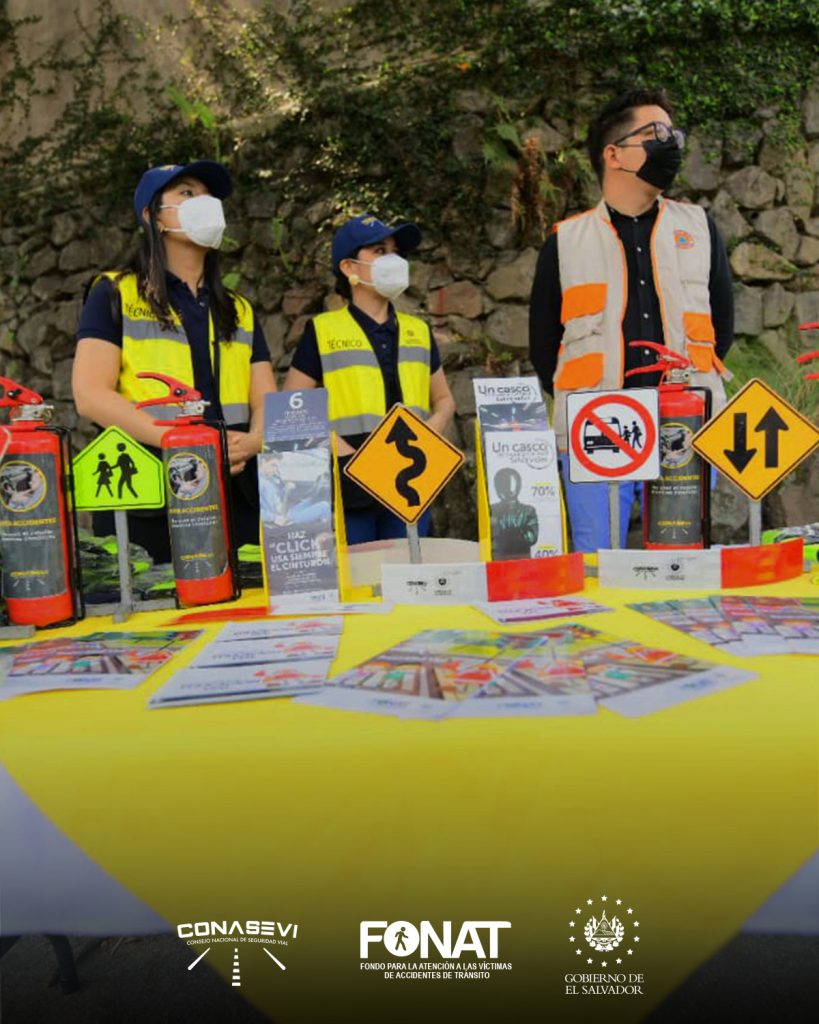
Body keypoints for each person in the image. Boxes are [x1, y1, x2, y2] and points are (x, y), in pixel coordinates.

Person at [529, 89, 733, 552]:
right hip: (597, 428)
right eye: (656, 133)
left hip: (683, 424)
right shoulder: (565, 243)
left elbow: (722, 327)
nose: (671, 144)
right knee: (597, 563)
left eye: (674, 134)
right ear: (614, 154)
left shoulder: (699, 229)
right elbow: (544, 348)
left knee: (682, 564)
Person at [72, 160, 277, 562]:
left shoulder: (239, 309)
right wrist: (188, 446)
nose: (204, 202)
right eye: (186, 192)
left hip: (238, 491)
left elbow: (266, 398)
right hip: (152, 494)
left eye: (207, 195)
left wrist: (253, 442)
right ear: (154, 217)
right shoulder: (115, 293)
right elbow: (90, 394)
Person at [284, 214, 456, 544]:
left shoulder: (419, 331)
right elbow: (293, 409)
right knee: (359, 572)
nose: (392, 259)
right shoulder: (322, 331)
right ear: (348, 267)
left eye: (395, 251)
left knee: (410, 568)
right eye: (379, 251)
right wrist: (350, 457)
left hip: (412, 479)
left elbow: (444, 400)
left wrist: (429, 436)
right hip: (350, 483)